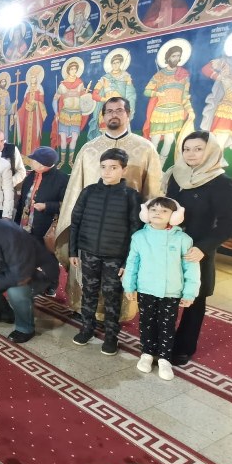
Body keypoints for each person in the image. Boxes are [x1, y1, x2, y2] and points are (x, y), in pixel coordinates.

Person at [56, 96, 162, 319]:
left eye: (119, 110)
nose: (114, 114)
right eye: (109, 111)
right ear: (102, 116)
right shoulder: (89, 149)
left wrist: (152, 229)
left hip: (122, 229)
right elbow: (75, 190)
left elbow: (152, 192)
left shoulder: (145, 148)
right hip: (90, 229)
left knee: (118, 275)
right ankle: (84, 311)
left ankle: (114, 318)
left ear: (128, 114)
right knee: (88, 275)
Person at [164, 131, 232, 365]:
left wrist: (203, 248)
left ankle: (183, 348)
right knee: (166, 295)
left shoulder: (221, 183)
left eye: (198, 149)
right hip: (171, 246)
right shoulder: (175, 175)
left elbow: (227, 224)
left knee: (194, 300)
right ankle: (162, 341)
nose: (191, 154)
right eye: (187, 149)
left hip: (198, 250)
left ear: (211, 151)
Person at [70, 148, 142, 355]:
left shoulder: (131, 196)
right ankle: (87, 328)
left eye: (113, 167)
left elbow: (136, 230)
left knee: (112, 296)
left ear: (124, 170)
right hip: (89, 252)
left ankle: (111, 336)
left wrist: (127, 262)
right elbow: (76, 222)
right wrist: (73, 250)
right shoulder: (89, 192)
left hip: (115, 256)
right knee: (89, 292)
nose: (107, 172)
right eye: (103, 167)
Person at [123, 197, 200, 381]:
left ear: (174, 216)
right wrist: (129, 285)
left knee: (167, 325)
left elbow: (191, 268)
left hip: (170, 291)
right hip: (146, 289)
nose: (157, 213)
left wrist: (190, 292)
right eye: (154, 210)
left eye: (164, 211)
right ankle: (147, 353)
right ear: (146, 213)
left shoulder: (183, 239)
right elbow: (132, 263)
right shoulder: (139, 237)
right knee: (146, 322)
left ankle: (165, 358)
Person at [0, 207, 59, 343]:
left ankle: (25, 328)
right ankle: (9, 314)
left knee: (16, 290)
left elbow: (20, 273)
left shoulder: (9, 234)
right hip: (2, 266)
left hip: (36, 271)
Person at [15, 146, 68, 296]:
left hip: (45, 226)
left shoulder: (61, 179)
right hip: (26, 224)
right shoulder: (31, 176)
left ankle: (52, 284)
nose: (31, 162)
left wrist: (46, 206)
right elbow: (23, 200)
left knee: (48, 257)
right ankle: (33, 282)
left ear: (44, 164)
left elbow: (66, 204)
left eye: (34, 160)